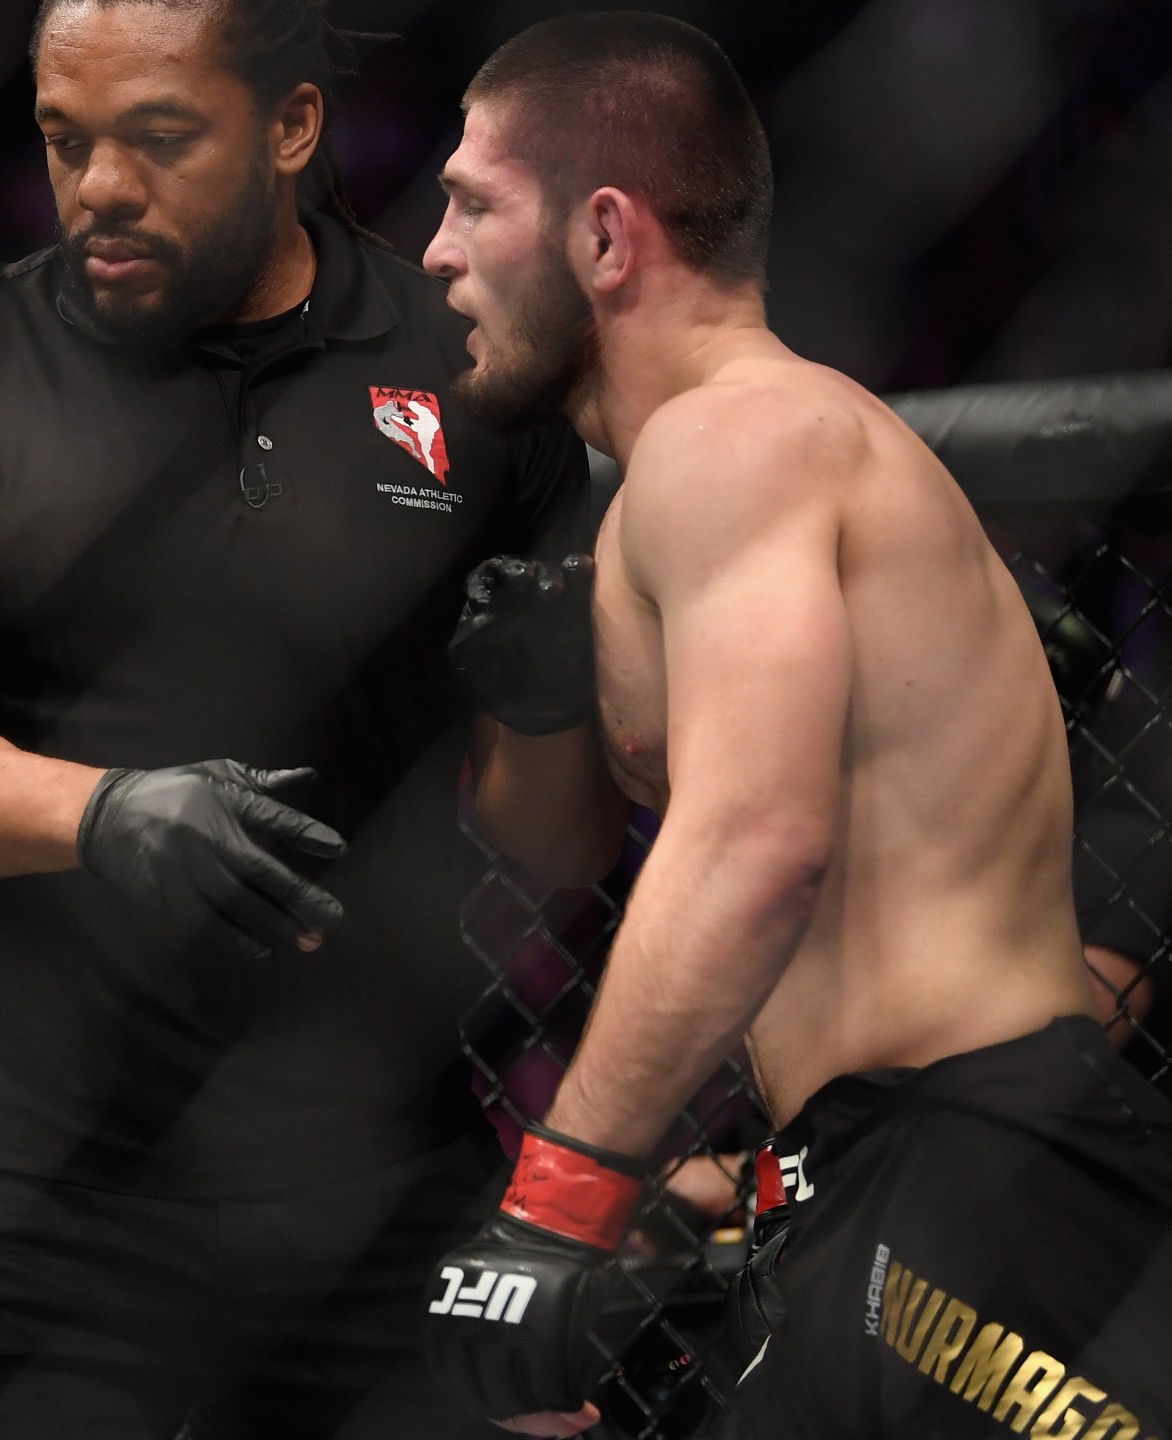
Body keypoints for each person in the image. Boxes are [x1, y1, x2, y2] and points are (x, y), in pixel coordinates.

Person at [0, 2, 627, 1435]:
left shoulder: (461, 358)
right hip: (26, 1171)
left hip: (368, 1157)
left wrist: (548, 693)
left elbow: (553, 840)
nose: (100, 184)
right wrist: (107, 814)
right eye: (64, 139)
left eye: (159, 137)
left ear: (291, 126)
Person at [413, 14, 1172, 1438]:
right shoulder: (689, 484)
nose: (437, 253)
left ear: (603, 236)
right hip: (877, 1169)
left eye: (471, 205)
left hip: (973, 1169)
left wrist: (555, 1208)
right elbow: (567, 848)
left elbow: (759, 840)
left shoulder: (736, 441)